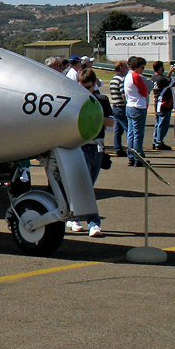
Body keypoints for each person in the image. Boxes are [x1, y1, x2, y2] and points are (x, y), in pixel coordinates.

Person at [67, 68, 113, 237]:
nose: (86, 91)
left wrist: (96, 118)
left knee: (89, 185)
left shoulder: (101, 99)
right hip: (81, 146)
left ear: (95, 84)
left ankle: (75, 216)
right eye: (82, 87)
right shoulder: (75, 100)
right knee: (84, 186)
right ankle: (91, 221)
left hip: (97, 147)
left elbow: (111, 122)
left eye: (89, 87)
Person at [123, 56, 152, 166]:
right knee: (138, 134)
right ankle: (138, 156)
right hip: (138, 106)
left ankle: (131, 156)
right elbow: (145, 92)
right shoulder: (136, 76)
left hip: (130, 105)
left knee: (131, 133)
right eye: (142, 67)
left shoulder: (128, 76)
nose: (143, 70)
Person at [151, 61, 175, 150]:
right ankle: (159, 142)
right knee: (163, 124)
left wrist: (170, 72)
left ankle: (155, 140)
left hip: (157, 103)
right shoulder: (162, 79)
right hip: (164, 104)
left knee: (158, 123)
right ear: (160, 68)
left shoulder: (154, 78)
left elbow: (167, 82)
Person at [108, 60, 129, 157]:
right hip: (121, 106)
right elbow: (123, 94)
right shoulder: (121, 79)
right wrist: (127, 102)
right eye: (125, 67)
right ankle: (131, 149)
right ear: (121, 68)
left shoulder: (113, 79)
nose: (127, 69)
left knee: (118, 130)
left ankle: (118, 148)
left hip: (115, 106)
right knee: (128, 129)